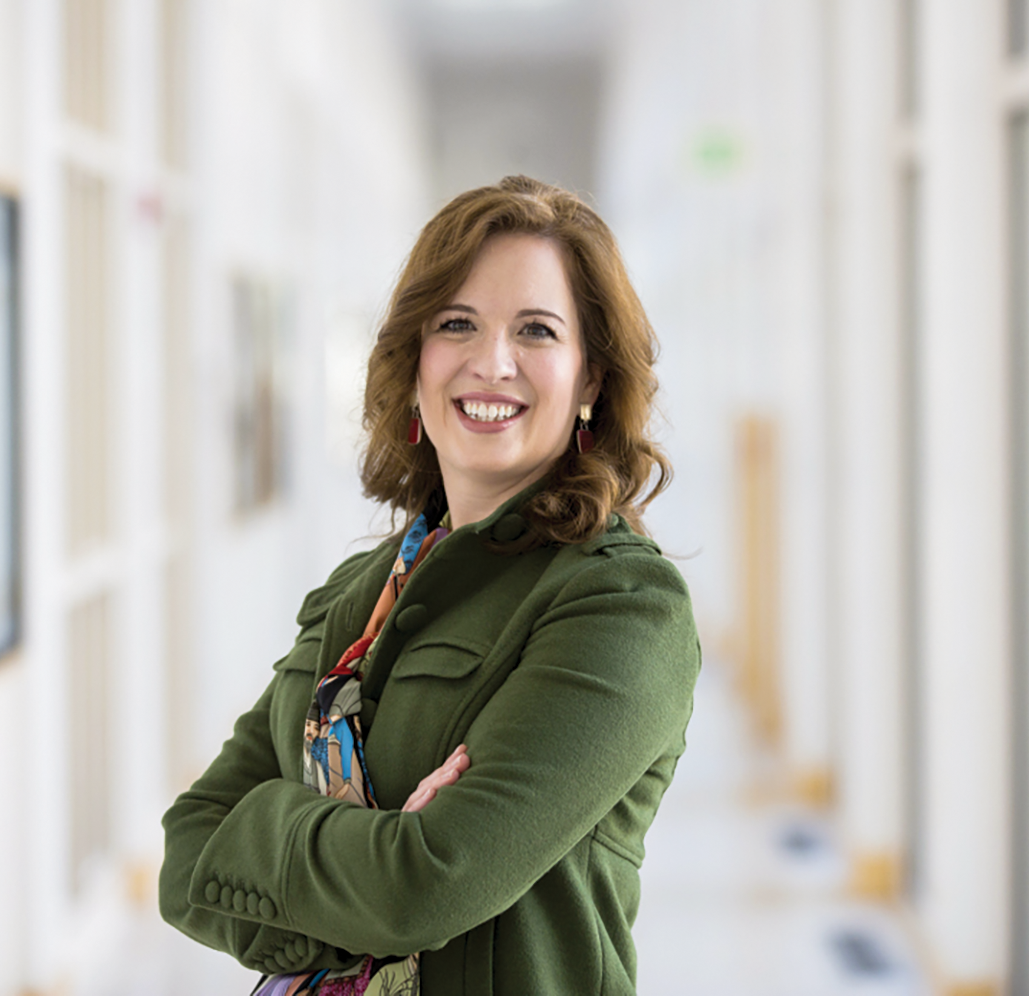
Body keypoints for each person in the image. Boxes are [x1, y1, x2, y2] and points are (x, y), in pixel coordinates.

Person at [159, 175, 700, 996]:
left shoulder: (621, 606)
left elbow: (425, 886)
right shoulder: (365, 592)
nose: (492, 362)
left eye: (537, 331)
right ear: (415, 360)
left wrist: (282, 840)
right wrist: (372, 860)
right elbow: (188, 851)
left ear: (590, 379)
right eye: (457, 324)